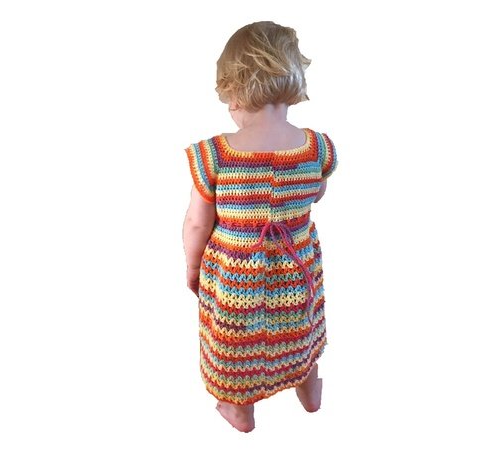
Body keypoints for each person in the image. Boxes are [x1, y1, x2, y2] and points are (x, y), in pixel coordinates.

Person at [182, 21, 338, 433]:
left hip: (236, 277)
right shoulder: (317, 147)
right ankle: (309, 389)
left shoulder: (215, 155)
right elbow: (316, 192)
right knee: (300, 327)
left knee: (236, 342)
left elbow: (197, 222)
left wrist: (193, 266)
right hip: (297, 269)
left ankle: (241, 410)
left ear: (233, 91)